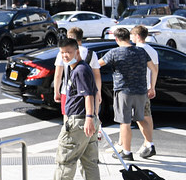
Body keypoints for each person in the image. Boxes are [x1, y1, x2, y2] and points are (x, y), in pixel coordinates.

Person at [42, 38, 103, 180]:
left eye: (68, 52)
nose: (65, 56)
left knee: (65, 158)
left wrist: (90, 118)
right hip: (86, 121)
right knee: (89, 162)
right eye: (62, 53)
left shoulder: (81, 70)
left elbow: (88, 96)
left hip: (79, 121)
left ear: (77, 51)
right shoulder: (78, 68)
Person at [97, 27, 151, 161]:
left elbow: (98, 64)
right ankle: (150, 144)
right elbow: (153, 67)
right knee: (141, 119)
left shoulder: (115, 52)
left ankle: (127, 151)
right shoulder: (141, 51)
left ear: (116, 39)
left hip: (124, 91)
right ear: (128, 37)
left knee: (125, 122)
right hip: (141, 90)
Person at [51, 26, 101, 116]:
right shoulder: (91, 53)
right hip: (88, 92)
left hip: (68, 92)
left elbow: (58, 75)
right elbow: (97, 75)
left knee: (68, 121)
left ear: (71, 38)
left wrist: (56, 91)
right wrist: (98, 92)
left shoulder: (62, 53)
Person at [128, 25, 159, 158]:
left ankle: (148, 143)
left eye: (132, 35)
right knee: (147, 115)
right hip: (146, 87)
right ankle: (147, 143)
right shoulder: (152, 50)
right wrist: (152, 86)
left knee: (137, 117)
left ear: (137, 36)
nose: (130, 38)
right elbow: (155, 70)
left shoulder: (136, 50)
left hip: (136, 88)